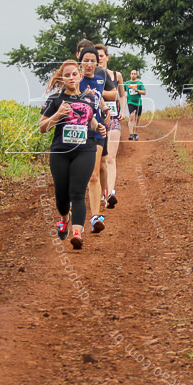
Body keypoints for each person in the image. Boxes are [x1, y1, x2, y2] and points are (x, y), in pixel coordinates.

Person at [38, 60, 106, 249]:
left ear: (80, 76)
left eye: (74, 74)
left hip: (85, 150)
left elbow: (90, 121)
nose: (71, 78)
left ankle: (77, 234)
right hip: (60, 151)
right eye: (67, 75)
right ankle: (64, 218)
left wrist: (98, 127)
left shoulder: (89, 99)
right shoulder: (55, 100)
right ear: (62, 78)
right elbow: (43, 127)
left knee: (77, 192)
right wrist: (58, 114)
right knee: (61, 195)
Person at [78, 47, 109, 234]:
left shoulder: (99, 79)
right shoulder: (75, 80)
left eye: (93, 61)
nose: (89, 64)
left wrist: (105, 109)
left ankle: (95, 217)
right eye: (86, 60)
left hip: (97, 131)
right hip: (78, 131)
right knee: (78, 175)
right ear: (80, 61)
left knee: (94, 175)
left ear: (97, 63)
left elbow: (98, 99)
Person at [96, 45, 127, 209]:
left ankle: (110, 193)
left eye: (102, 55)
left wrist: (123, 110)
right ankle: (101, 191)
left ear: (107, 57)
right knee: (99, 161)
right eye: (97, 56)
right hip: (96, 120)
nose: (99, 58)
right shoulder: (90, 77)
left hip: (113, 117)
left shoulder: (116, 75)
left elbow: (121, 95)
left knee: (110, 157)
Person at [123, 70, 146, 141]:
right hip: (130, 102)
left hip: (138, 103)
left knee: (137, 119)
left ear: (136, 75)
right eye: (132, 74)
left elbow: (144, 92)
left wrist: (137, 90)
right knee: (131, 116)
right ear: (130, 75)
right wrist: (124, 97)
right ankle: (130, 134)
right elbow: (121, 91)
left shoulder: (139, 83)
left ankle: (135, 133)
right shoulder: (126, 83)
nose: (133, 75)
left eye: (135, 74)